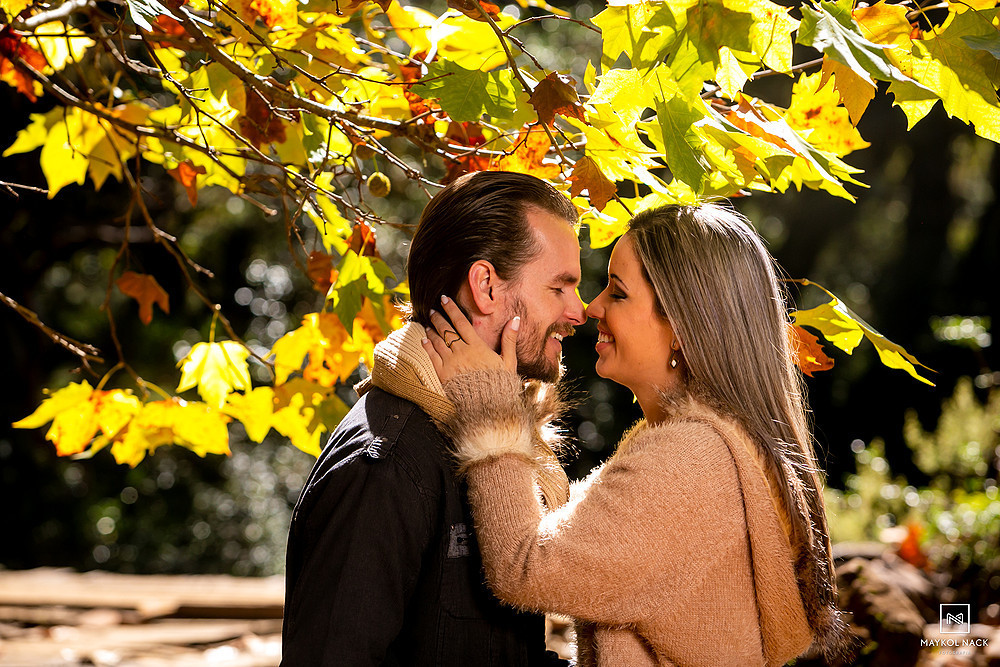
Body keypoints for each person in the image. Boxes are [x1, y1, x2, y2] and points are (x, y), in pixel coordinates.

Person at [422, 203, 858, 666]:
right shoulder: (706, 447)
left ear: (680, 326)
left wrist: (492, 409)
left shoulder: (690, 461)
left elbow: (524, 566)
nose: (592, 307)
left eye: (619, 292)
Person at [280, 171, 586, 665]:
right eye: (560, 288)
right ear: (486, 286)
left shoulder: (500, 446)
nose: (580, 310)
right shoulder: (385, 464)